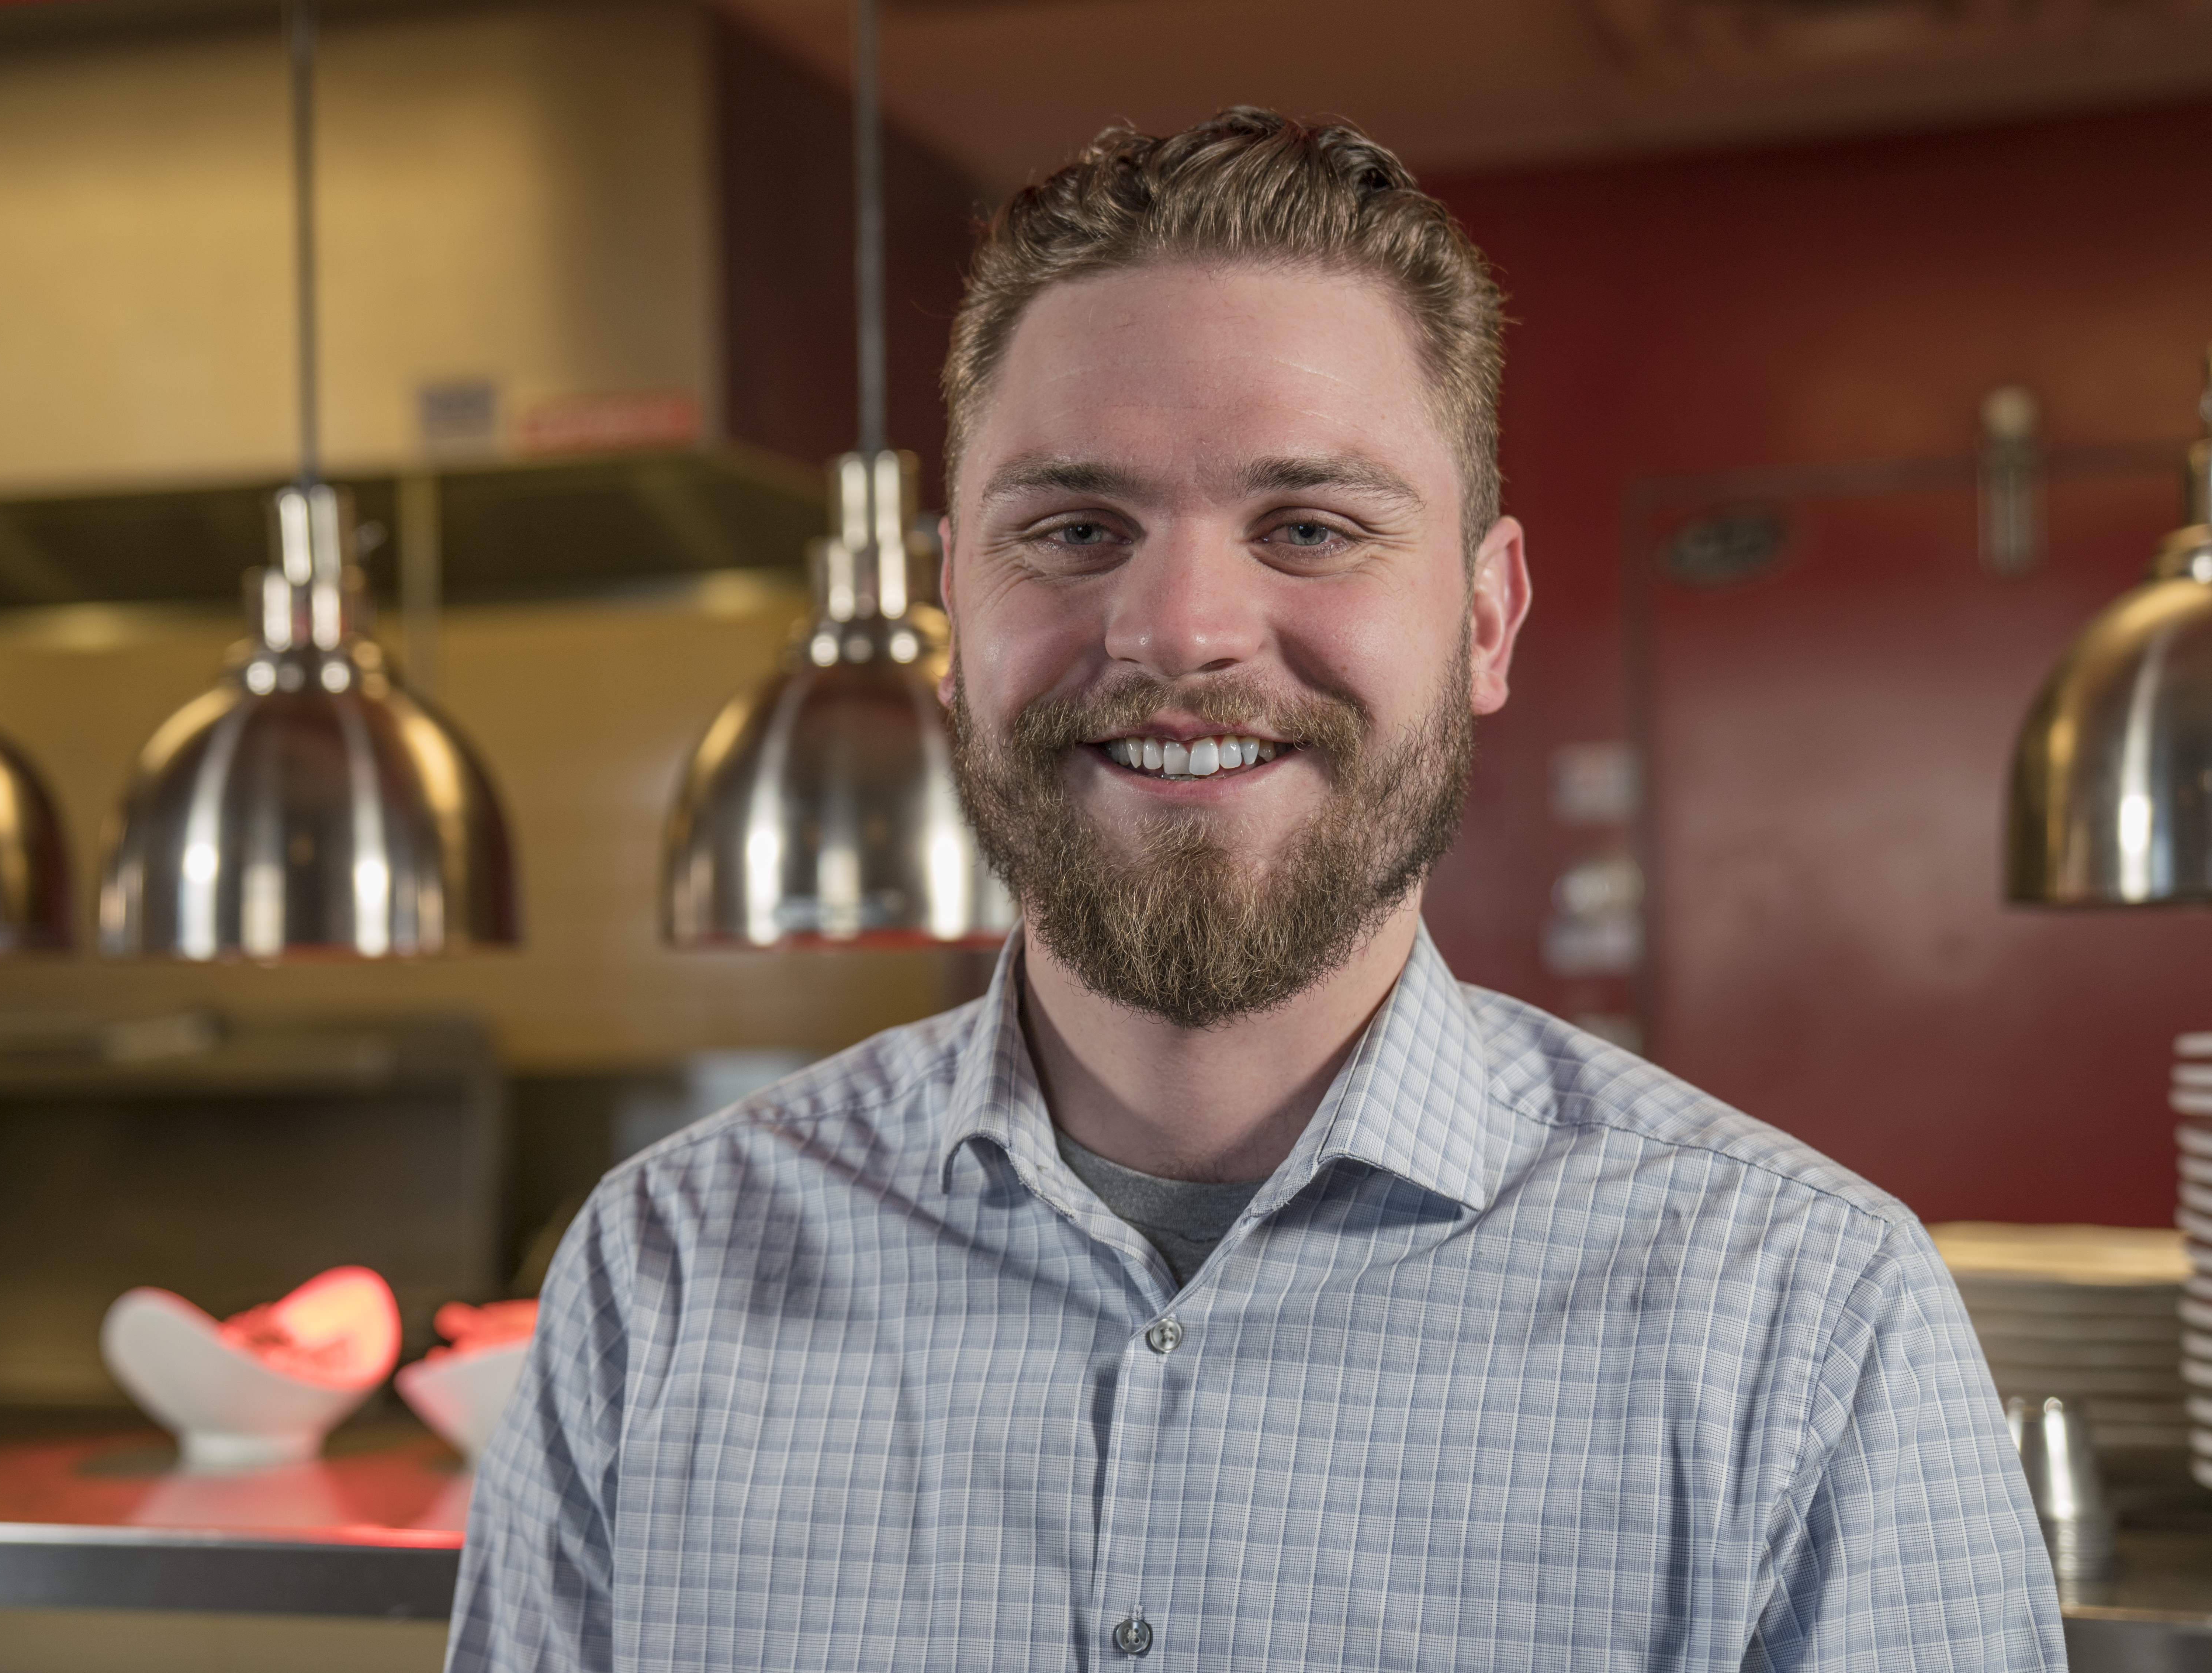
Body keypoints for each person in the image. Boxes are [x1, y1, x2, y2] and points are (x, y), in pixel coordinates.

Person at [449, 108, 2064, 1671]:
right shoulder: (660, 1269)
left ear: (1486, 623)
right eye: (1077, 526)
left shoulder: (1800, 1317)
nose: (1180, 631)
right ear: (953, 609)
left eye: (1306, 524)